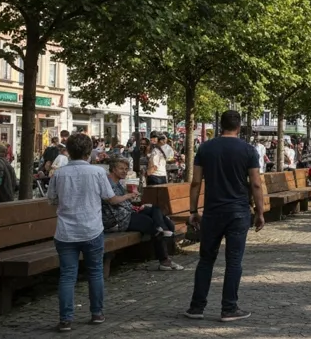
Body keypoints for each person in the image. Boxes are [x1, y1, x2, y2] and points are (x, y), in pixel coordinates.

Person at [185, 111, 265, 323]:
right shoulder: (248, 150)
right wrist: (260, 211)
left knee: (206, 260)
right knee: (234, 261)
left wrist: (193, 211)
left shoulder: (205, 148)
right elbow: (256, 183)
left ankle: (196, 307)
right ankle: (229, 308)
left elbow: (196, 182)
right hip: (238, 212)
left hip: (212, 212)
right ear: (239, 127)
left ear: (221, 125)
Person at [47, 133, 124, 331]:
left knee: (67, 275)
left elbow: (52, 199)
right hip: (92, 229)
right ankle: (97, 313)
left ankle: (66, 319)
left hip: (66, 232)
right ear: (89, 152)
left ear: (69, 152)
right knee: (95, 272)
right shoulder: (98, 173)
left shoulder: (59, 174)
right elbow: (109, 197)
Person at [102, 157, 184, 271]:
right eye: (121, 169)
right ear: (113, 169)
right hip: (117, 221)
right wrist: (128, 196)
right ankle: (165, 260)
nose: (125, 171)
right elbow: (112, 201)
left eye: (126, 169)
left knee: (156, 211)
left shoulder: (118, 183)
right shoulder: (106, 182)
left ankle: (165, 229)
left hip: (126, 214)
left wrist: (136, 207)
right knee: (152, 224)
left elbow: (123, 204)